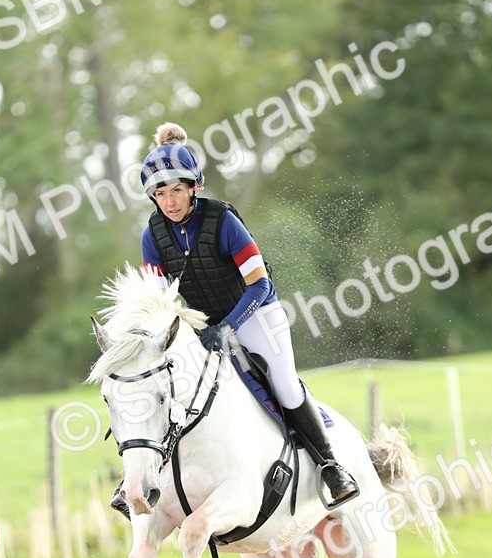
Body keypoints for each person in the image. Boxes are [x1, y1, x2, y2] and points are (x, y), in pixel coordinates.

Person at [110, 122, 360, 515]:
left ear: (194, 187)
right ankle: (138, 481)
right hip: (202, 326)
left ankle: (331, 465)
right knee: (163, 385)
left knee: (285, 386)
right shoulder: (152, 236)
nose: (170, 201)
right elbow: (157, 302)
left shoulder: (223, 221)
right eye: (161, 193)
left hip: (256, 314)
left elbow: (259, 284)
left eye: (177, 190)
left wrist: (228, 328)